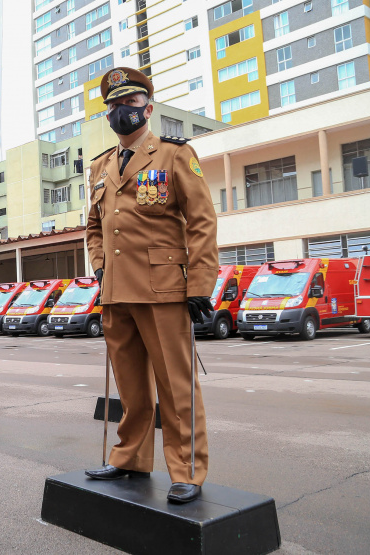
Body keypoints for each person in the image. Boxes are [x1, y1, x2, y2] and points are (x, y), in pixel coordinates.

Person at [83, 67, 218, 504]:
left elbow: (201, 222)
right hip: (117, 292)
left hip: (164, 290)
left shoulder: (176, 155)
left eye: (132, 103)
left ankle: (187, 471)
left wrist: (200, 283)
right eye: (116, 105)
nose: (124, 112)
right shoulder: (101, 165)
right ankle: (130, 459)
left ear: (149, 108)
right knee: (131, 387)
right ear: (108, 114)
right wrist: (101, 268)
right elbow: (93, 227)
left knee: (176, 386)